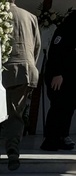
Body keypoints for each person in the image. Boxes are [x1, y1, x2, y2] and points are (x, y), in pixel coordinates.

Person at [0, 0, 40, 171]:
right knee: (16, 113)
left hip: (1, 70)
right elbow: (36, 46)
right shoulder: (30, 17)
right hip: (25, 69)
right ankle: (13, 151)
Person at [40, 10, 76, 151]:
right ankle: (51, 139)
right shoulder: (64, 31)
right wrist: (57, 73)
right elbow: (56, 52)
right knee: (58, 107)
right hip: (59, 77)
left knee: (68, 108)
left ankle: (62, 136)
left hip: (70, 78)